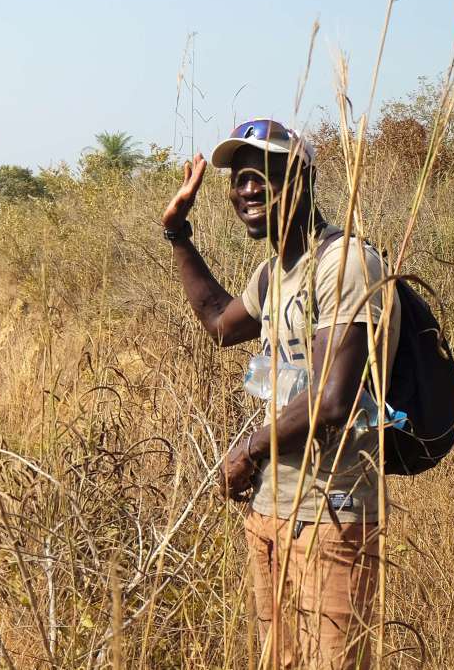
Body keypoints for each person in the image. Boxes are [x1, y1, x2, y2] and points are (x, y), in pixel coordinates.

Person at [159, 119, 399, 669]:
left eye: (263, 174)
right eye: (240, 178)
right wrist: (177, 233)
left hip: (329, 511)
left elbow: (331, 400)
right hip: (270, 508)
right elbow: (220, 323)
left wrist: (245, 453)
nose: (247, 189)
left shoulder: (345, 264)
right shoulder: (274, 274)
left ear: (303, 178)